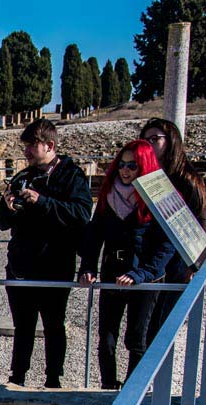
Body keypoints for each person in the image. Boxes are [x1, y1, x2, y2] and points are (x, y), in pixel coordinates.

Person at [0, 118, 92, 388]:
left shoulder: (72, 176)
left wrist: (43, 202)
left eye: (31, 146)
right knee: (23, 327)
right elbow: (2, 222)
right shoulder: (22, 176)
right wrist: (8, 208)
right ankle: (17, 377)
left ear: (50, 145)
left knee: (53, 324)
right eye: (25, 147)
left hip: (54, 265)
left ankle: (53, 378)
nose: (26, 152)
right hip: (20, 267)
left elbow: (82, 215)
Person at [78, 140, 177, 389]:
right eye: (122, 164)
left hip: (146, 279)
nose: (125, 171)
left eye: (132, 166)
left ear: (144, 166)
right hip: (113, 273)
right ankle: (108, 387)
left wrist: (142, 273)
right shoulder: (108, 195)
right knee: (107, 338)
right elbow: (94, 235)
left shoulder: (159, 196)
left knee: (136, 338)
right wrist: (88, 266)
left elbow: (167, 245)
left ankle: (133, 391)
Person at [138, 118, 206, 345]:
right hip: (154, 261)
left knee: (161, 328)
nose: (149, 144)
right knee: (144, 330)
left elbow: (202, 225)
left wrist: (195, 267)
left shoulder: (188, 180)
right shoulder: (148, 177)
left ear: (171, 142)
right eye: (145, 139)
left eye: (155, 139)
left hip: (179, 264)